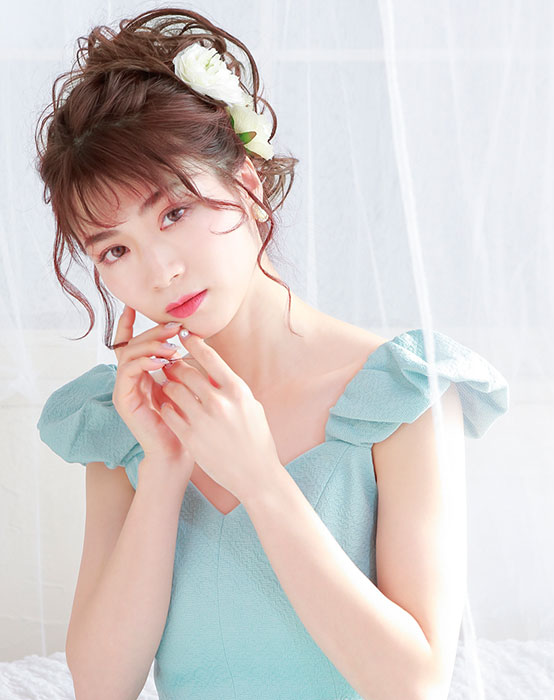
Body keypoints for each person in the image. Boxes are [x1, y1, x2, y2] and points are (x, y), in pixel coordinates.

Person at [34, 8, 510, 700]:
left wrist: (260, 480)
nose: (160, 270)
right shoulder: (124, 420)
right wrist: (163, 469)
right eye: (114, 250)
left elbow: (414, 685)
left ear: (248, 188)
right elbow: (103, 687)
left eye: (174, 213)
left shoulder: (400, 394)